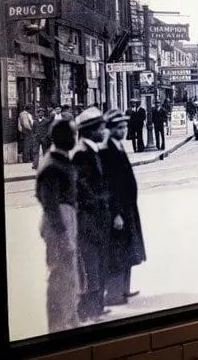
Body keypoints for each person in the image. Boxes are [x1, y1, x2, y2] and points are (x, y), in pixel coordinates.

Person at [35, 118, 80, 333]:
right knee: (60, 275)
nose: (75, 139)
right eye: (72, 135)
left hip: (66, 219)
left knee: (69, 274)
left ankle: (70, 318)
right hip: (59, 224)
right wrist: (63, 234)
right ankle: (58, 325)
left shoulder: (60, 159)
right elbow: (50, 204)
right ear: (63, 138)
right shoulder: (52, 165)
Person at [99, 110, 146, 307]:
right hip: (118, 210)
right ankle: (114, 294)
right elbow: (109, 185)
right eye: (119, 128)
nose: (124, 130)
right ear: (110, 130)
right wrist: (116, 213)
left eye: (125, 127)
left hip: (128, 207)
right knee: (117, 252)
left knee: (127, 249)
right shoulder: (107, 150)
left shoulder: (117, 147)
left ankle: (124, 289)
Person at [72, 107, 111, 323]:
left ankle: (96, 307)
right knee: (91, 264)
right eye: (100, 127)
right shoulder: (81, 153)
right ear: (90, 130)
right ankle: (88, 310)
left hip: (97, 218)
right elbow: (84, 188)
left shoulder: (91, 150)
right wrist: (103, 201)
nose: (104, 130)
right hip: (89, 220)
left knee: (99, 261)